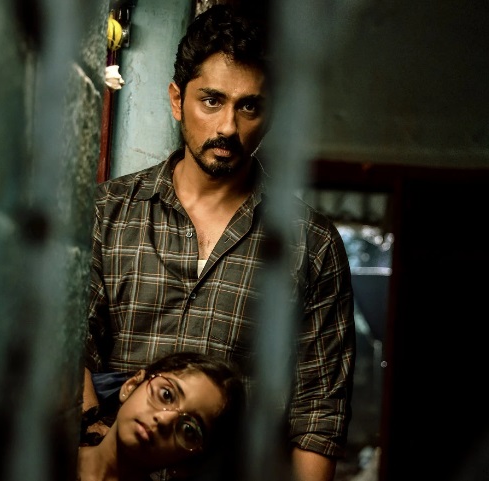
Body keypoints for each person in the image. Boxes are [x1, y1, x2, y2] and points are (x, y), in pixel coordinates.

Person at [83, 5, 355, 481]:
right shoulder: (107, 212)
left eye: (249, 106)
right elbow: (69, 345)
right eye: (211, 101)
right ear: (176, 100)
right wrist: (92, 447)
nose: (228, 126)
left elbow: (320, 411)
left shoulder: (311, 245)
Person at [78, 351, 246, 481]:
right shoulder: (61, 451)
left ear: (187, 465)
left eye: (188, 429)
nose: (164, 420)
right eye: (166, 395)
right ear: (131, 385)